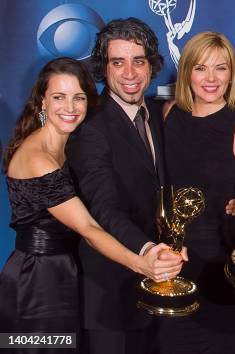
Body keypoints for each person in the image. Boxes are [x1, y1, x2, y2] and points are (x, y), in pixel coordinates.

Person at [0, 58, 179, 353]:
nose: (69, 107)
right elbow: (89, 227)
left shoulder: (65, 144)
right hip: (37, 281)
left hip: (60, 272)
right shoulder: (38, 158)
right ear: (42, 101)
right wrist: (141, 263)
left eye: (78, 98)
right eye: (59, 97)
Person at [65, 18, 185, 354]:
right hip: (110, 294)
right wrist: (147, 250)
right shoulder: (90, 127)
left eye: (138, 61)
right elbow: (102, 209)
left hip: (155, 286)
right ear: (104, 68)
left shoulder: (157, 114)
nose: (130, 73)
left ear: (152, 66)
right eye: (118, 62)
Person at [159, 31, 235, 354]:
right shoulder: (168, 114)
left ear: (231, 74)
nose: (211, 78)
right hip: (169, 266)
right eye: (201, 68)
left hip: (219, 272)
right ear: (187, 70)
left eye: (221, 68)